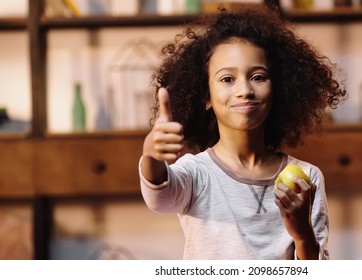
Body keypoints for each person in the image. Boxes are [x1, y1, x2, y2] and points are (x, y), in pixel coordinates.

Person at [139, 6, 346, 260]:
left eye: (258, 77)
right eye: (227, 79)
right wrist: (151, 154)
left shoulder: (308, 178)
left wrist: (303, 234)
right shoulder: (196, 173)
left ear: (278, 90)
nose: (245, 90)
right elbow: (159, 198)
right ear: (206, 96)